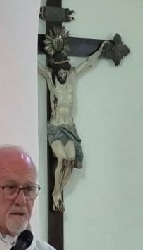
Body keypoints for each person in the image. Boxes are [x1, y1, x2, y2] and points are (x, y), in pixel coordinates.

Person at [38, 41, 110, 212]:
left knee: (70, 161)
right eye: (60, 72)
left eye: (64, 71)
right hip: (55, 128)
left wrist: (100, 52)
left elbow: (87, 64)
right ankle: (56, 193)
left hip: (69, 128)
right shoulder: (51, 80)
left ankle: (59, 191)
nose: (62, 74)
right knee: (62, 160)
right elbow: (38, 67)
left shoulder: (71, 79)